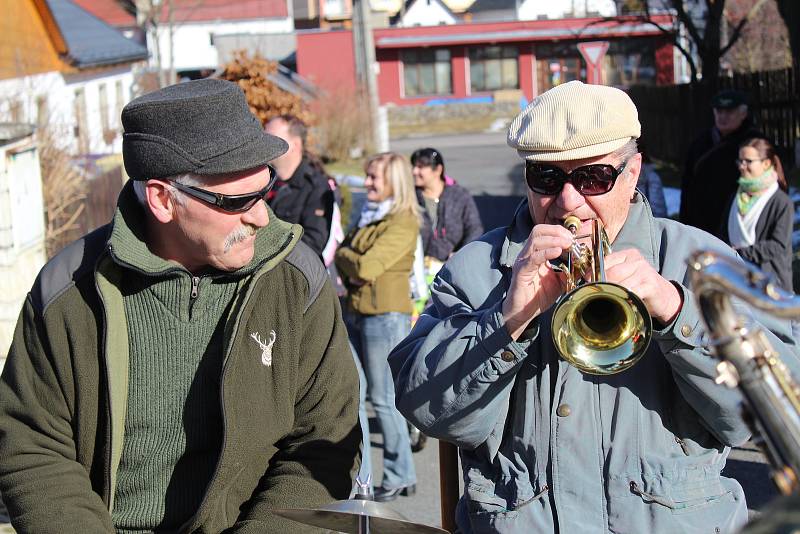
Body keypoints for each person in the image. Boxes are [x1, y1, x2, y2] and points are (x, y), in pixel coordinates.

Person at [389, 81, 799, 533]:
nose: (568, 201)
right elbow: (425, 410)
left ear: (634, 171)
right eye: (546, 177)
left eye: (593, 177)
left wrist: (677, 310)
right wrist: (504, 323)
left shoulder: (702, 258)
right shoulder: (474, 269)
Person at [0, 79, 361, 533]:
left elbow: (325, 441)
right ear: (162, 199)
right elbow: (32, 447)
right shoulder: (66, 292)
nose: (261, 216)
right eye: (236, 201)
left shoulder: (297, 280)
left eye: (264, 190)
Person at [335, 152, 419, 502]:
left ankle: (400, 474)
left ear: (394, 182)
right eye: (367, 176)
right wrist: (347, 257)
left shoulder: (403, 221)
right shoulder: (370, 216)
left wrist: (346, 256)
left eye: (374, 177)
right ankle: (363, 478)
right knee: (354, 397)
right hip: (356, 312)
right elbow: (345, 255)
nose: (367, 182)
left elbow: (364, 266)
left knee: (383, 401)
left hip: (385, 316)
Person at [680, 89, 762, 238]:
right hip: (702, 226)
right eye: (719, 111)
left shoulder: (756, 144)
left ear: (743, 114)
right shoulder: (701, 143)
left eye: (729, 112)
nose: (723, 117)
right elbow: (687, 185)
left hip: (742, 226)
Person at [722, 137, 793, 291]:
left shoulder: (781, 202)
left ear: (766, 163)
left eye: (748, 161)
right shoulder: (734, 197)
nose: (742, 166)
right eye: (740, 161)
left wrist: (740, 253)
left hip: (771, 287)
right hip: (737, 281)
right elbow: (722, 234)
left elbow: (777, 245)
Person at [265, 114, 336, 258]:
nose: (264, 144)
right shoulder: (264, 181)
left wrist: (264, 247)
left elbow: (314, 244)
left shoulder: (316, 187)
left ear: (295, 145)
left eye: (271, 139)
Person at [411, 147, 484, 263]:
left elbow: (474, 228)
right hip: (418, 266)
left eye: (420, 167)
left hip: (455, 264)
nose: (414, 171)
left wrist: (461, 254)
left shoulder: (459, 195)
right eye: (414, 166)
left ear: (438, 170)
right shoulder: (410, 198)